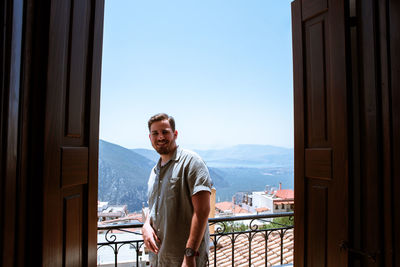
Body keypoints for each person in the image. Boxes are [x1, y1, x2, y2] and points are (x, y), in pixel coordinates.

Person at [142, 113, 213, 267]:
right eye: (155, 133)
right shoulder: (154, 172)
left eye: (165, 132)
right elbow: (154, 206)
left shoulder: (192, 162)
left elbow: (202, 211)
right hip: (159, 258)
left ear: (175, 134)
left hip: (183, 260)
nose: (160, 137)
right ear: (150, 138)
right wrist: (146, 225)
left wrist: (189, 255)